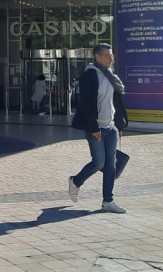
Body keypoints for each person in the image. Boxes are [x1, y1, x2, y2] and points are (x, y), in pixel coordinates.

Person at [68, 43, 128, 213]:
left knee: (111, 165)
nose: (111, 58)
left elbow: (116, 102)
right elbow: (87, 104)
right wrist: (94, 128)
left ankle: (108, 201)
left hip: (110, 127)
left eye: (112, 55)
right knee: (99, 162)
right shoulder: (90, 75)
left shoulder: (110, 76)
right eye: (108, 55)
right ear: (98, 57)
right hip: (95, 127)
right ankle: (75, 181)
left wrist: (119, 123)